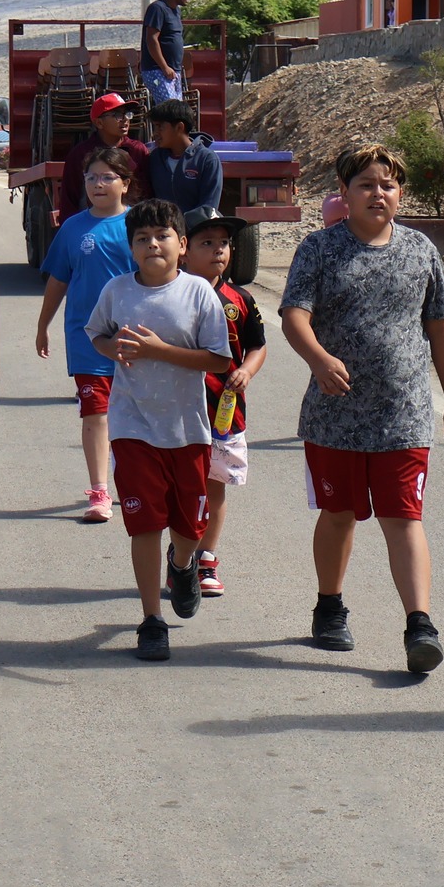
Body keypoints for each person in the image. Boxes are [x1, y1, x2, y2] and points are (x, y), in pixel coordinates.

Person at [279, 142, 444, 673]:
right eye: (365, 185)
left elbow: (440, 327)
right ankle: (330, 607)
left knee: (403, 518)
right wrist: (318, 359)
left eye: (388, 185)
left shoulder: (420, 250)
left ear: (400, 193)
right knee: (339, 515)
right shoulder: (319, 249)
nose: (377, 193)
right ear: (344, 192)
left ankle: (420, 625)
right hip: (333, 416)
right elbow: (294, 316)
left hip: (403, 413)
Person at [85, 198, 230, 661]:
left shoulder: (198, 293)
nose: (153, 244)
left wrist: (157, 350)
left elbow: (219, 360)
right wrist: (112, 348)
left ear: (182, 244)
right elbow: (97, 333)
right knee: (144, 524)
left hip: (188, 430)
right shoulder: (117, 291)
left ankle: (182, 564)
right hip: (133, 427)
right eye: (142, 238)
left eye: (162, 236)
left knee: (190, 527)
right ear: (131, 248)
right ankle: (151, 619)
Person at [36, 146, 137, 522]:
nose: (98, 184)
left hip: (134, 339)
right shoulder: (73, 228)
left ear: (125, 184)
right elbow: (58, 280)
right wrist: (43, 325)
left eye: (108, 177)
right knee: (95, 413)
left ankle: (134, 482)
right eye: (91, 177)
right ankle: (99, 491)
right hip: (86, 339)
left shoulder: (138, 227)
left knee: (132, 414)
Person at [180, 207, 268, 599]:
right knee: (183, 489)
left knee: (215, 487)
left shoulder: (240, 299)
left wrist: (247, 370)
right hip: (177, 412)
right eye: (207, 242)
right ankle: (181, 555)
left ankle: (206, 559)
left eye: (224, 243)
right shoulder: (170, 294)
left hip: (223, 413)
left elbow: (257, 347)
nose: (219, 250)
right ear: (184, 248)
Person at [57, 94, 149, 220]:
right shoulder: (80, 154)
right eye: (117, 115)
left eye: (127, 114)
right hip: (91, 225)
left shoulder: (137, 150)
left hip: (134, 224)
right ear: (99, 123)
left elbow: (148, 193)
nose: (125, 119)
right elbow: (69, 199)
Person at [144, 99, 223, 213]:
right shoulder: (155, 158)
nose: (155, 133)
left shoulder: (207, 160)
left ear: (179, 127)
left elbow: (208, 208)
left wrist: (184, 222)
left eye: (159, 126)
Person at [141, 0, 193, 105]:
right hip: (158, 70)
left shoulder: (176, 11)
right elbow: (151, 39)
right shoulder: (157, 9)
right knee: (169, 109)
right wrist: (164, 67)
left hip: (173, 71)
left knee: (176, 110)